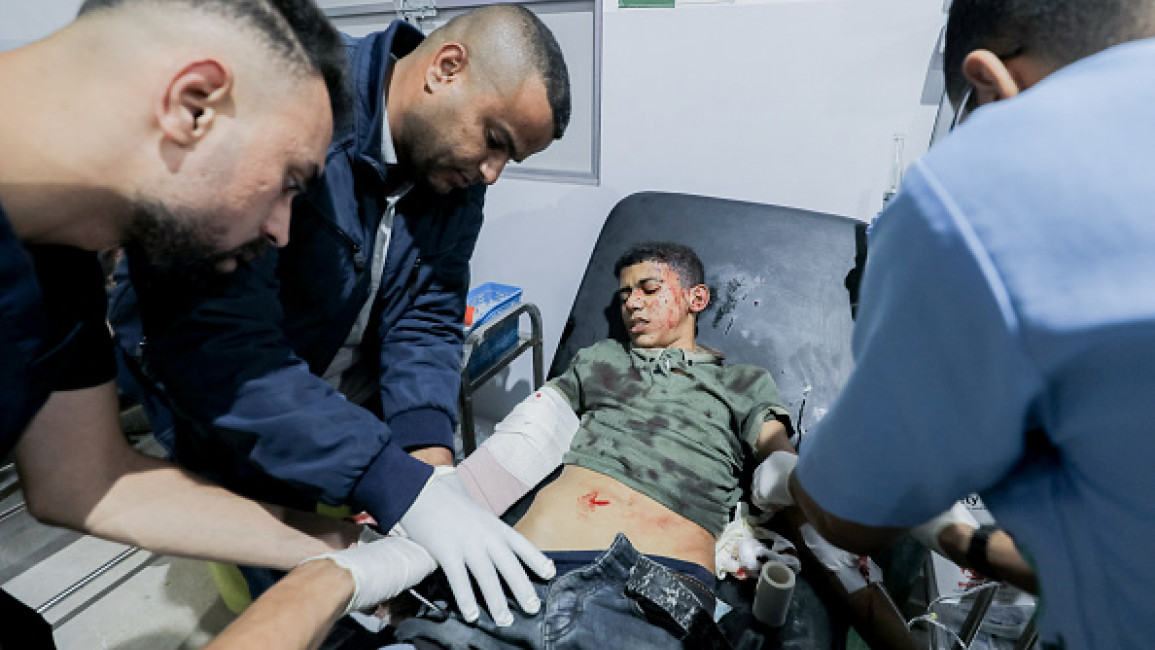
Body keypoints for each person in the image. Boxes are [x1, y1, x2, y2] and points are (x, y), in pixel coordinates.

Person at [109, 3, 572, 626]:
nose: (492, 172)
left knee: (345, 555)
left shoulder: (453, 174)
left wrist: (428, 465)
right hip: (231, 391)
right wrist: (385, 484)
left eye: (510, 158)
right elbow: (227, 354)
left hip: (329, 382)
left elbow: (428, 311)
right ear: (446, 69)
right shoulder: (301, 108)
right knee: (273, 586)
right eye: (495, 141)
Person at [0, 0, 440, 647]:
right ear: (195, 105)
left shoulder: (59, 257)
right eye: (290, 181)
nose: (282, 228)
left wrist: (351, 550)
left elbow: (87, 480)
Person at [749, 0, 1155, 647]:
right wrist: (951, 532)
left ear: (989, 83)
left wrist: (799, 475)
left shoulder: (988, 186)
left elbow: (847, 514)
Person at [385, 242, 923, 649]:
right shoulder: (601, 359)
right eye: (623, 294)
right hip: (519, 570)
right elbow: (532, 431)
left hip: (650, 598)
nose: (630, 304)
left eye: (648, 288)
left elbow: (778, 453)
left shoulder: (741, 382)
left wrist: (790, 477)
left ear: (696, 298)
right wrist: (416, 530)